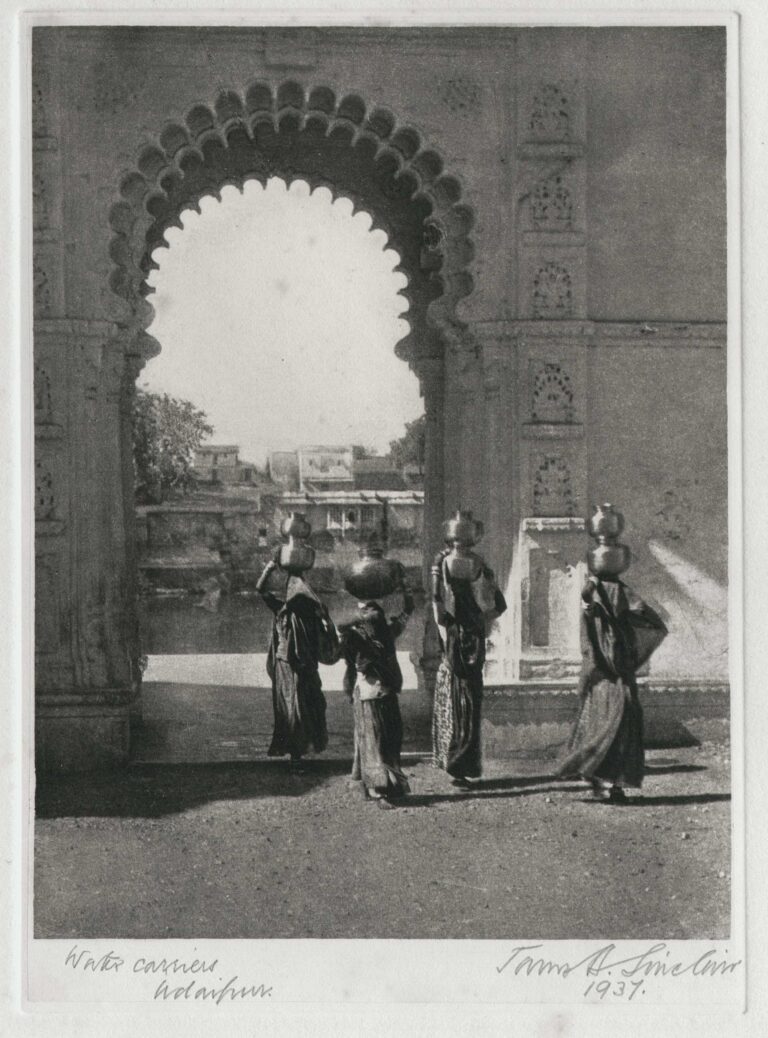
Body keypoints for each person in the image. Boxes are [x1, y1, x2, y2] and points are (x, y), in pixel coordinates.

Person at [556, 573, 668, 803]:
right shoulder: (593, 611)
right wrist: (594, 585)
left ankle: (612, 784)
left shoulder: (620, 619)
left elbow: (649, 619)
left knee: (623, 724)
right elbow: (589, 612)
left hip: (618, 677)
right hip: (603, 679)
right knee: (605, 727)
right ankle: (600, 781)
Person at [431, 549, 507, 787]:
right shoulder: (478, 619)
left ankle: (458, 770)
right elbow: (501, 607)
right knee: (469, 725)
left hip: (458, 680)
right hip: (472, 680)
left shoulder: (451, 622)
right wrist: (489, 578)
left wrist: (436, 569)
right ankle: (463, 770)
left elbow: (436, 600)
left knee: (458, 723)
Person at [256, 557, 339, 769]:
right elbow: (261, 589)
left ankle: (301, 750)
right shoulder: (283, 610)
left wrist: (326, 620)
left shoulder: (310, 614)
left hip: (305, 666)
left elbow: (327, 640)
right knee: (293, 709)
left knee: (309, 707)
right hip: (287, 666)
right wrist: (270, 566)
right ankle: (295, 755)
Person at [338, 589, 414, 808]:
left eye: (377, 612)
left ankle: (389, 785)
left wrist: (406, 597)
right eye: (370, 613)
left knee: (390, 737)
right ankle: (377, 790)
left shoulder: (387, 632)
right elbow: (340, 630)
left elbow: (405, 615)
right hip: (367, 691)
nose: (375, 617)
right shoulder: (355, 636)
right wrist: (360, 618)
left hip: (387, 691)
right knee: (374, 740)